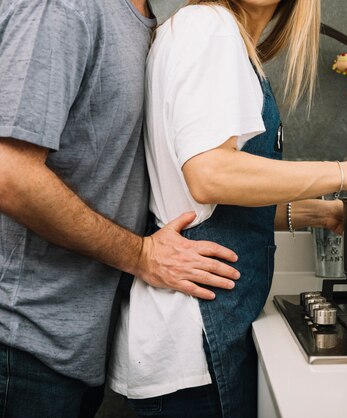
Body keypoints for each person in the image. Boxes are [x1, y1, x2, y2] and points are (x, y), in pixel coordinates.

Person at [107, 0, 347, 417]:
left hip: (191, 339)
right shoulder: (211, 28)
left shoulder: (212, 34)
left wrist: (322, 213)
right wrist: (345, 172)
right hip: (197, 337)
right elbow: (210, 174)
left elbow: (214, 204)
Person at [0, 1, 241, 417]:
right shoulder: (63, 7)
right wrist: (140, 254)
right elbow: (10, 173)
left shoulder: (143, 19)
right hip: (20, 342)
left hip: (74, 345)